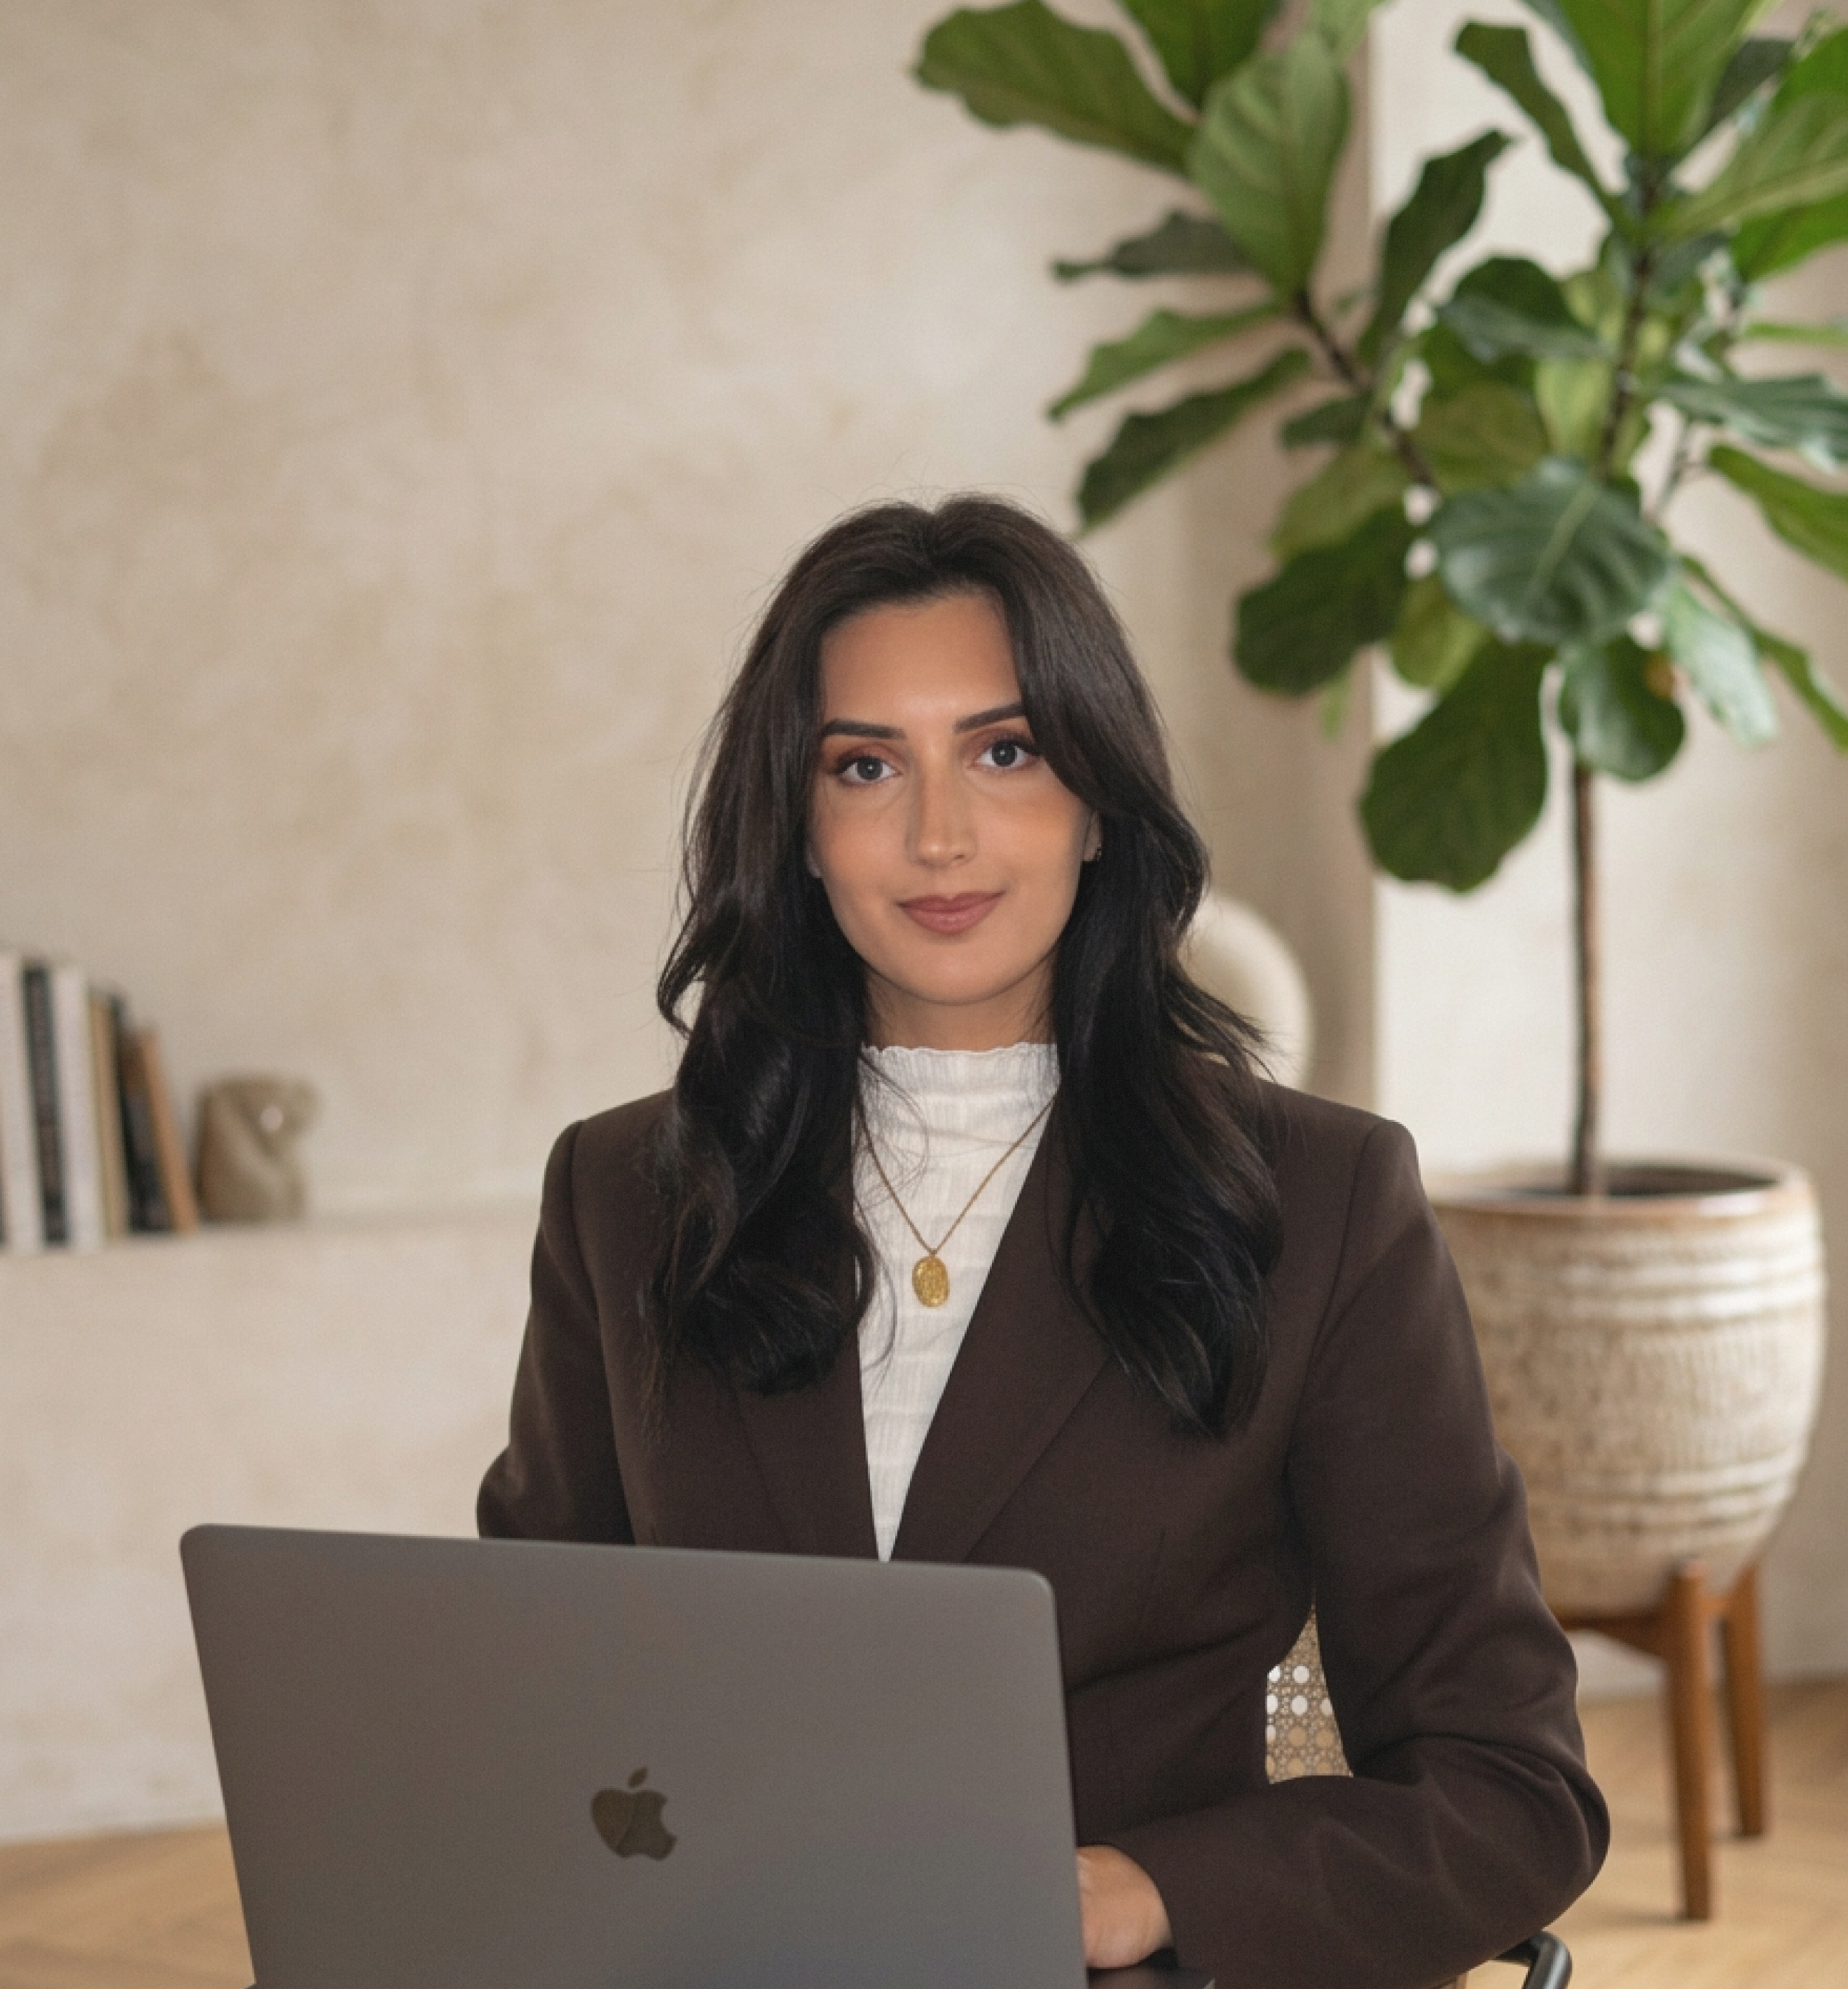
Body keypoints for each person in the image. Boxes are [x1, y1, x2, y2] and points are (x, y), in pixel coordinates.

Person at [478, 494, 1608, 1987]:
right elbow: (529, 1694)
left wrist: (1147, 1890)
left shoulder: (1318, 1203)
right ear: (800, 831)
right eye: (865, 765)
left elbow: (1509, 1793)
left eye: (1002, 752)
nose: (937, 833)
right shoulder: (624, 1191)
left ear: (1095, 799)